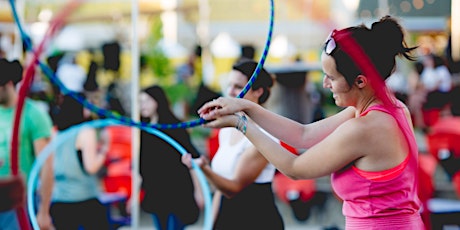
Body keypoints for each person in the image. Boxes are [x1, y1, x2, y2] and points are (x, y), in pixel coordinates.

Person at [198, 16, 425, 229]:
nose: (325, 84)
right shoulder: (387, 109)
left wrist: (241, 124)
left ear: (360, 81)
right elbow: (303, 135)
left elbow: (295, 168)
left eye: (332, 77)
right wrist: (245, 107)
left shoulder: (365, 128)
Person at [182, 59, 285, 230]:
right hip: (226, 218)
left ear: (258, 91)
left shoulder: (266, 134)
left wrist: (203, 169)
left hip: (257, 220)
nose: (230, 91)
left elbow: (233, 187)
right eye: (229, 85)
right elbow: (220, 192)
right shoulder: (226, 130)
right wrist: (209, 224)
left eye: (237, 86)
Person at [139, 85, 203, 230]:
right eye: (140, 101)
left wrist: (198, 191)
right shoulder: (144, 131)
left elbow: (192, 158)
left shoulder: (174, 127)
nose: (143, 105)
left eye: (147, 100)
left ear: (157, 101)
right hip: (156, 194)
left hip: (177, 193)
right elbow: (141, 166)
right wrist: (134, 196)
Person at [0, 58, 54, 229]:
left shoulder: (33, 115)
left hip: (18, 204)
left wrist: (44, 211)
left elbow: (46, 165)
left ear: (7, 84)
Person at [50, 94, 110, 229]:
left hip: (59, 200)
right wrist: (104, 150)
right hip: (84, 199)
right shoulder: (86, 132)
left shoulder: (55, 133)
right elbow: (91, 167)